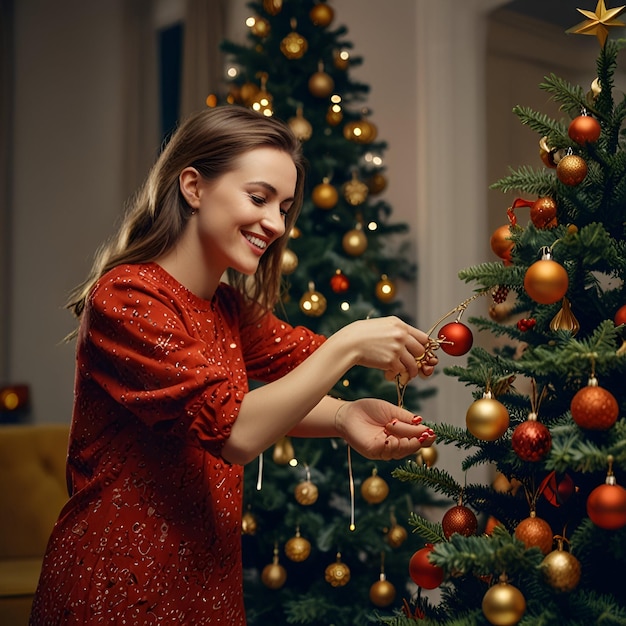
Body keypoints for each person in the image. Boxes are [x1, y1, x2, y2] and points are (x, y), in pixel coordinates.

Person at [30, 105, 437, 625]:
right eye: (259, 197)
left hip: (207, 585)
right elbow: (236, 429)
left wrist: (344, 415)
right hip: (115, 587)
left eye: (285, 207)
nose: (275, 224)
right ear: (194, 187)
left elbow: (303, 357)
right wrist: (352, 345)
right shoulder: (125, 297)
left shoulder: (226, 307)